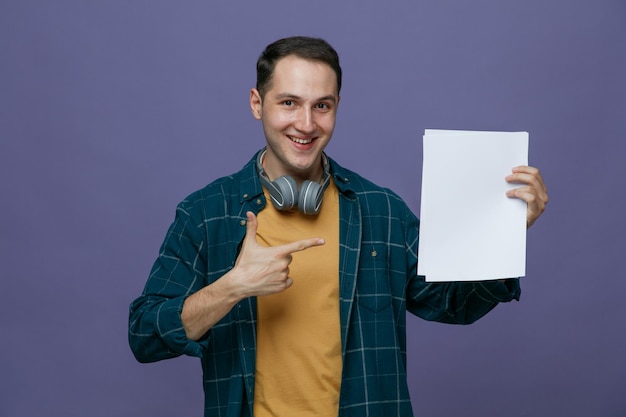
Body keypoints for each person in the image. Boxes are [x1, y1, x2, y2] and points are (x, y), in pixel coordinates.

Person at [128, 36, 548, 417]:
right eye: (289, 103)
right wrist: (232, 286)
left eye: (321, 106)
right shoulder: (206, 213)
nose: (307, 124)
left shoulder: (381, 210)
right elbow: (145, 335)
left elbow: (454, 304)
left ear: (336, 108)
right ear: (257, 103)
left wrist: (506, 231)